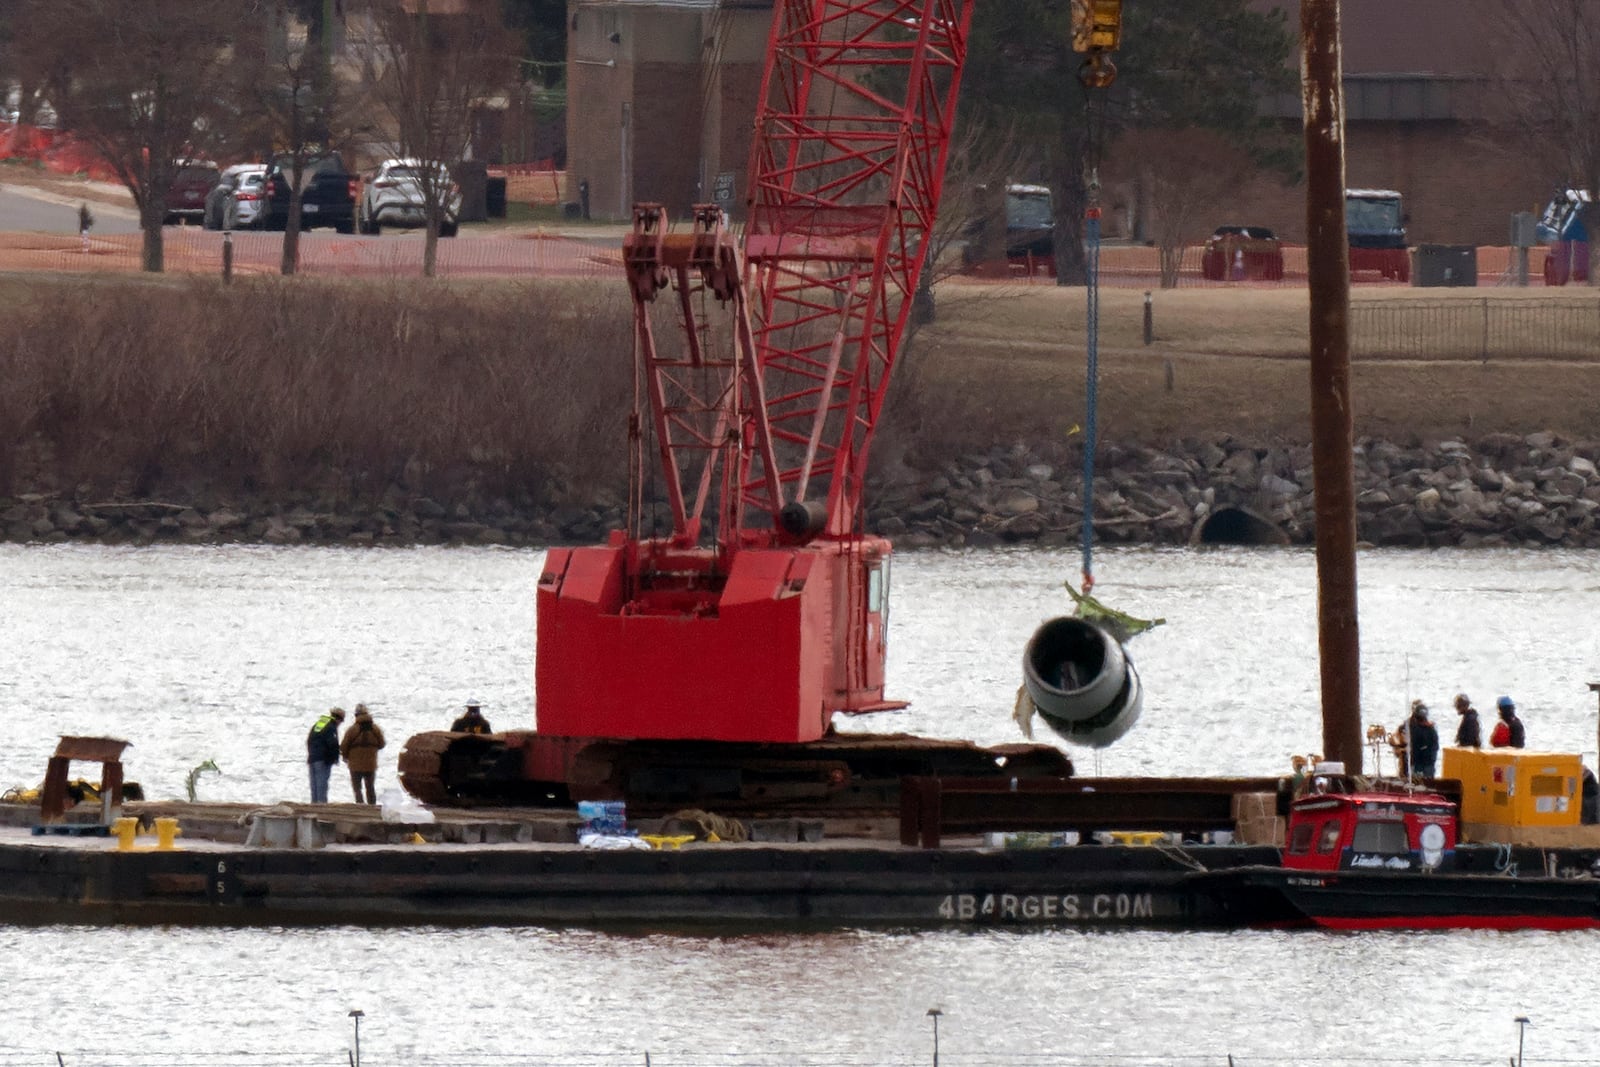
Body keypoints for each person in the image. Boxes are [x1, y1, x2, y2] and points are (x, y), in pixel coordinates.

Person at [339, 703, 386, 805]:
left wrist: (345, 757)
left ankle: (360, 805)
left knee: (357, 788)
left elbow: (344, 746)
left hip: (355, 765)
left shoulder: (352, 730)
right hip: (370, 764)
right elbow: (382, 744)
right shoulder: (376, 729)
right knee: (370, 787)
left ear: (356, 715)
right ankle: (372, 806)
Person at [306, 707, 345, 803]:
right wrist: (334, 758)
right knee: (322, 784)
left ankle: (314, 804)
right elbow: (332, 744)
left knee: (314, 784)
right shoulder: (331, 726)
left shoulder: (320, 723)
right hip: (323, 759)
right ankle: (322, 806)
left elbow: (310, 739)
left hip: (312, 757)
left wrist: (311, 753)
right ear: (339, 719)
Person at [1407, 700, 1440, 778]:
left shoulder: (1415, 729)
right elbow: (1436, 747)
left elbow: (1414, 748)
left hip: (1419, 764)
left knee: (1417, 784)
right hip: (1429, 764)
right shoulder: (1432, 729)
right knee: (1429, 783)